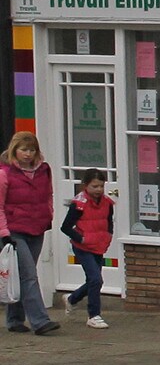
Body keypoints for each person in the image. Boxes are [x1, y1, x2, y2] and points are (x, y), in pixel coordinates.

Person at [0, 132, 57, 334]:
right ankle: (40, 321)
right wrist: (4, 232)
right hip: (14, 230)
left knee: (21, 275)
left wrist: (49, 214)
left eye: (31, 150)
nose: (28, 154)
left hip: (37, 227)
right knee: (29, 275)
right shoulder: (5, 173)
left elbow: (48, 194)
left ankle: (14, 320)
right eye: (24, 150)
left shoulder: (43, 170)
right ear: (15, 150)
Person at [60, 169, 114, 328]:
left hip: (99, 245)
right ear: (86, 185)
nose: (98, 190)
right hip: (82, 247)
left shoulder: (107, 203)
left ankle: (72, 299)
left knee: (94, 280)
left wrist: (108, 235)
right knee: (96, 279)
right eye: (94, 186)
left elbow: (109, 221)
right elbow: (66, 227)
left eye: (101, 186)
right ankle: (94, 315)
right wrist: (81, 238)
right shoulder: (79, 204)